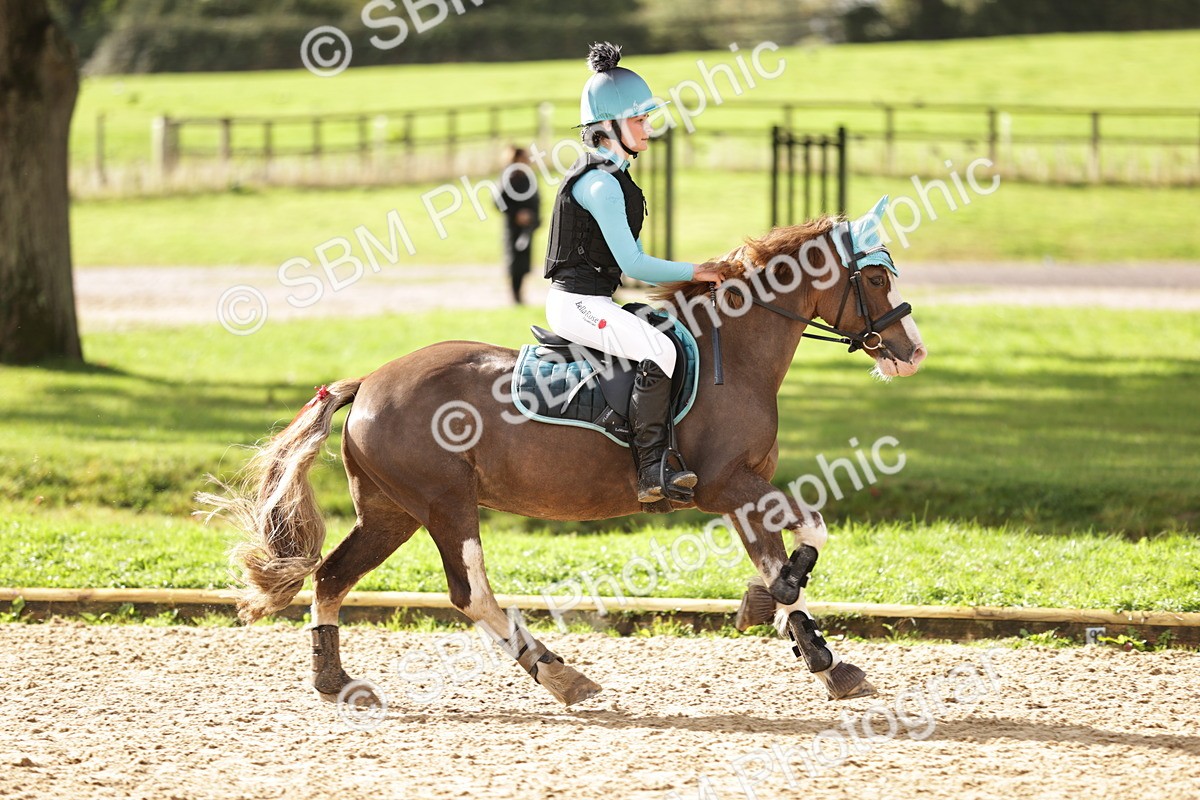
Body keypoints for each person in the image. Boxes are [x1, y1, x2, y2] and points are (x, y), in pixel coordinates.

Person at [543, 42, 729, 505]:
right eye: (639, 120)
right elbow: (634, 265)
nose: (648, 127)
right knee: (659, 349)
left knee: (664, 333)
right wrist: (698, 271)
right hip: (577, 305)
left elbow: (633, 259)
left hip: (594, 301)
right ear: (608, 126)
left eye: (647, 119)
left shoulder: (616, 178)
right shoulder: (601, 184)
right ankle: (651, 469)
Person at [496, 146, 541, 304]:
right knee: (514, 261)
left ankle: (520, 293)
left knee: (525, 262)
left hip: (527, 227)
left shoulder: (528, 177)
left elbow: (536, 200)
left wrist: (534, 217)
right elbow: (498, 201)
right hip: (513, 228)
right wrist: (516, 214)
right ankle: (515, 294)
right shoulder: (508, 178)